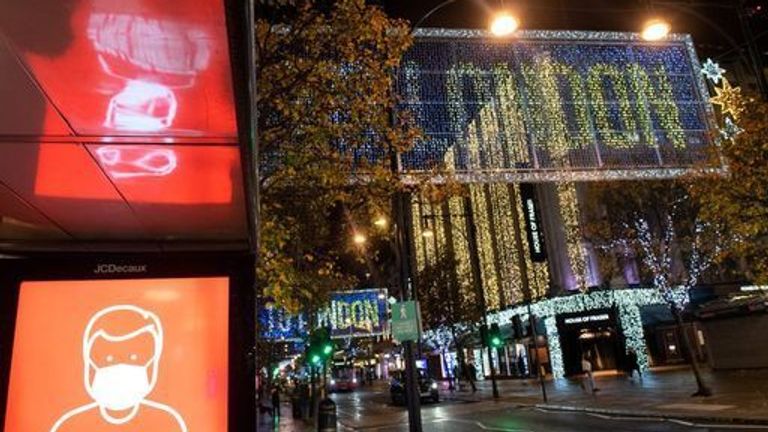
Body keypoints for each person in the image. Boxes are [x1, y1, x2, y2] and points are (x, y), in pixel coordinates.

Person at [51, 305, 187, 432]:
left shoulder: (167, 422)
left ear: (153, 361)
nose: (120, 368)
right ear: (89, 364)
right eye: (108, 359)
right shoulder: (71, 425)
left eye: (135, 358)